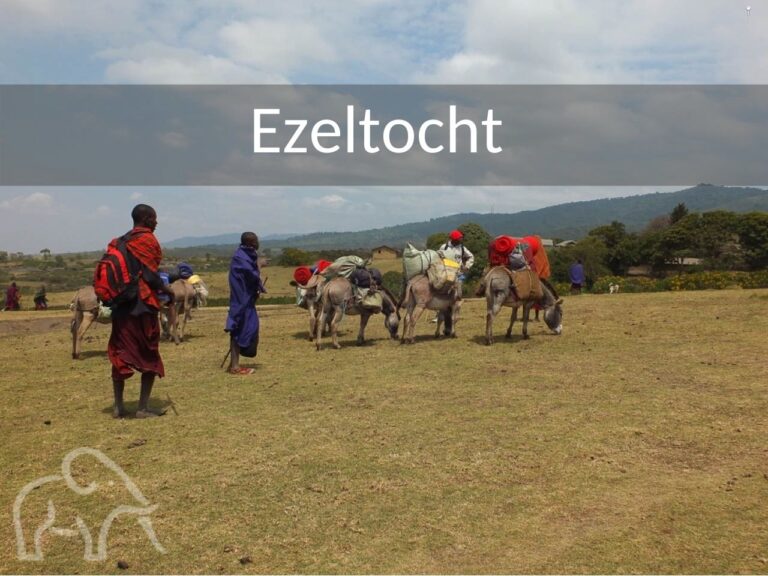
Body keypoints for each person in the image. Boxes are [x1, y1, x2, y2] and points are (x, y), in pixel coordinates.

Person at [108, 204, 175, 419]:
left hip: (120, 306)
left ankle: (118, 406)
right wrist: (167, 290)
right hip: (141, 305)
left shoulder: (118, 242)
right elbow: (150, 276)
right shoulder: (147, 240)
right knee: (149, 352)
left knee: (120, 352)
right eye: (154, 218)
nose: (156, 222)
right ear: (146, 218)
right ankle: (143, 408)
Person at [225, 232, 266, 375]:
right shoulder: (240, 258)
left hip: (246, 299)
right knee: (240, 328)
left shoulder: (245, 255)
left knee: (246, 327)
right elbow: (251, 275)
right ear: (250, 243)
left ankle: (233, 363)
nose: (257, 243)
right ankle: (235, 367)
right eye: (255, 240)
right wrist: (259, 265)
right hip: (241, 301)